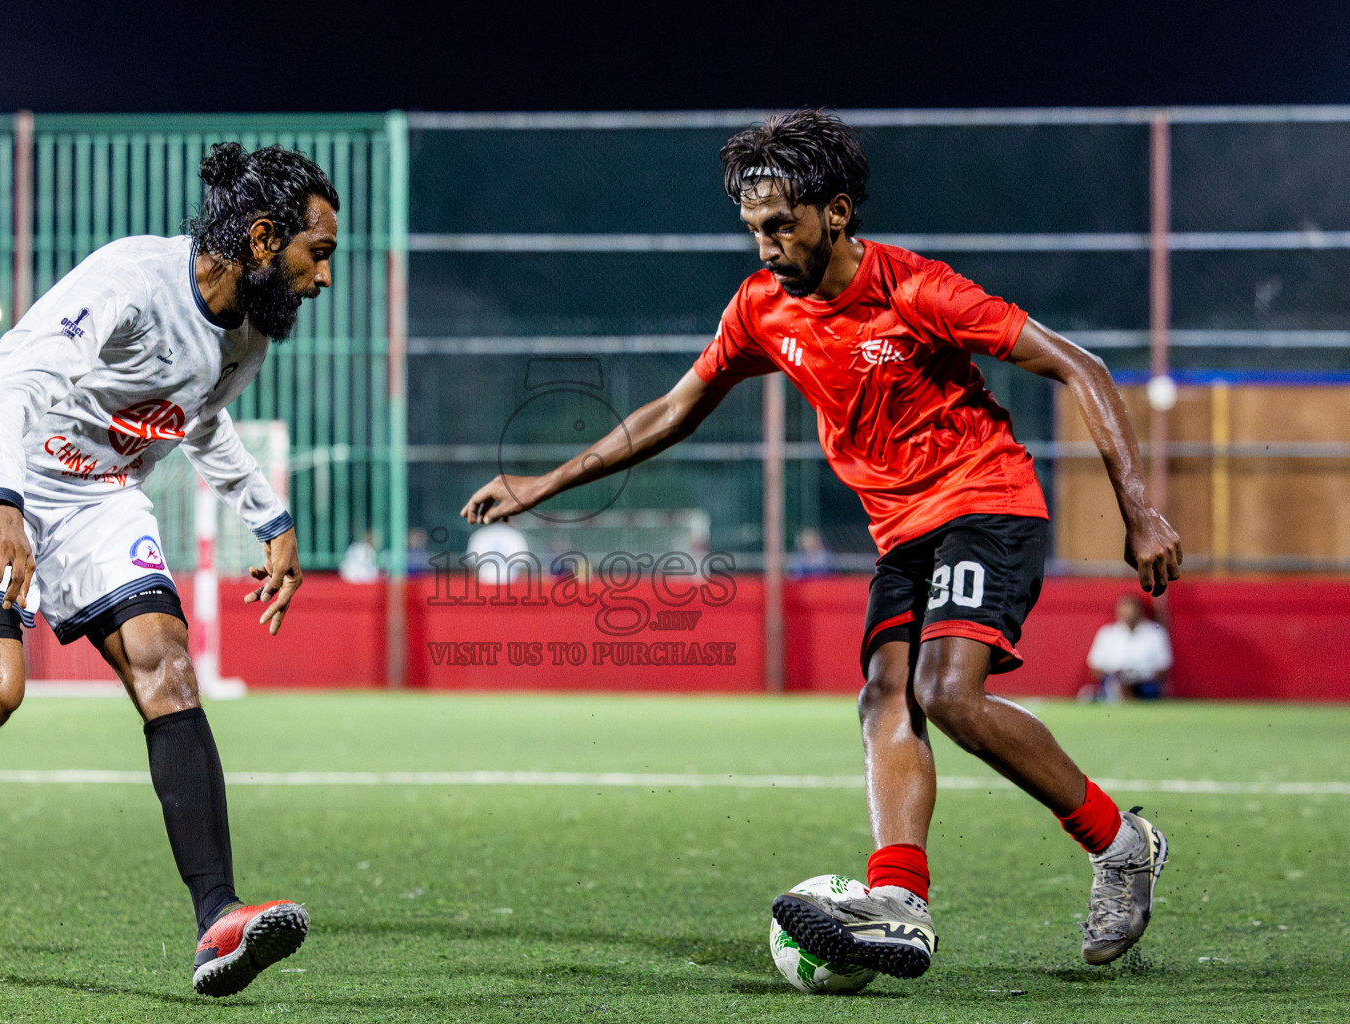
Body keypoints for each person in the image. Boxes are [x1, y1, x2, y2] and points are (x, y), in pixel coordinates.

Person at [461, 109, 1182, 978]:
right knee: (884, 697)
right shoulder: (762, 308)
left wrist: (1140, 511)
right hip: (902, 533)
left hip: (986, 502)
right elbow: (673, 411)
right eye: (753, 229)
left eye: (781, 225)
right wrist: (543, 484)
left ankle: (1119, 844)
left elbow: (1080, 366)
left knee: (946, 692)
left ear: (836, 213)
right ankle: (900, 900)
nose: (765, 246)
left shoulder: (916, 290)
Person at [0, 142, 335, 997]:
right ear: (261, 239)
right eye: (316, 253)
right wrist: (1, 503)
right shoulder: (132, 281)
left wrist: (270, 517)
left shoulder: (249, 336)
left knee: (167, 664)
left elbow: (198, 421)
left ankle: (218, 918)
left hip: (95, 496)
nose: (323, 278)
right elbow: (10, 392)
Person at [1085, 594, 1172, 701]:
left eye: (1132, 610)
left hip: (1145, 683)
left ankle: (1124, 697)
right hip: (1114, 680)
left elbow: (1163, 668)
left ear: (1140, 611)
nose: (1129, 614)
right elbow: (1095, 668)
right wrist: (1117, 673)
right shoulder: (1107, 633)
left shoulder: (1156, 633)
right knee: (1114, 684)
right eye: (1125, 611)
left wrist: (1138, 676)